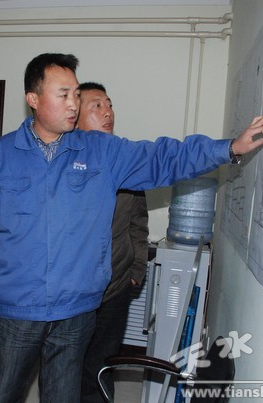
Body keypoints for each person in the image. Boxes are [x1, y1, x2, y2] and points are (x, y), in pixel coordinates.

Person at [0, 52, 263, 403]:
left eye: (76, 94)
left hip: (75, 311)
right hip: (15, 308)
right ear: (33, 99)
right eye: (63, 94)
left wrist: (228, 149)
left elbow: (162, 157)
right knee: (3, 394)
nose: (73, 104)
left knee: (63, 396)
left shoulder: (101, 151)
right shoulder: (0, 156)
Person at [76, 81, 149, 403]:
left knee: (102, 365)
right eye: (96, 106)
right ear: (74, 116)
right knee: (66, 365)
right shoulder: (63, 162)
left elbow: (138, 223)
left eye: (109, 105)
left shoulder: (126, 162)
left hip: (116, 284)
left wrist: (136, 270)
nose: (107, 112)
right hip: (73, 290)